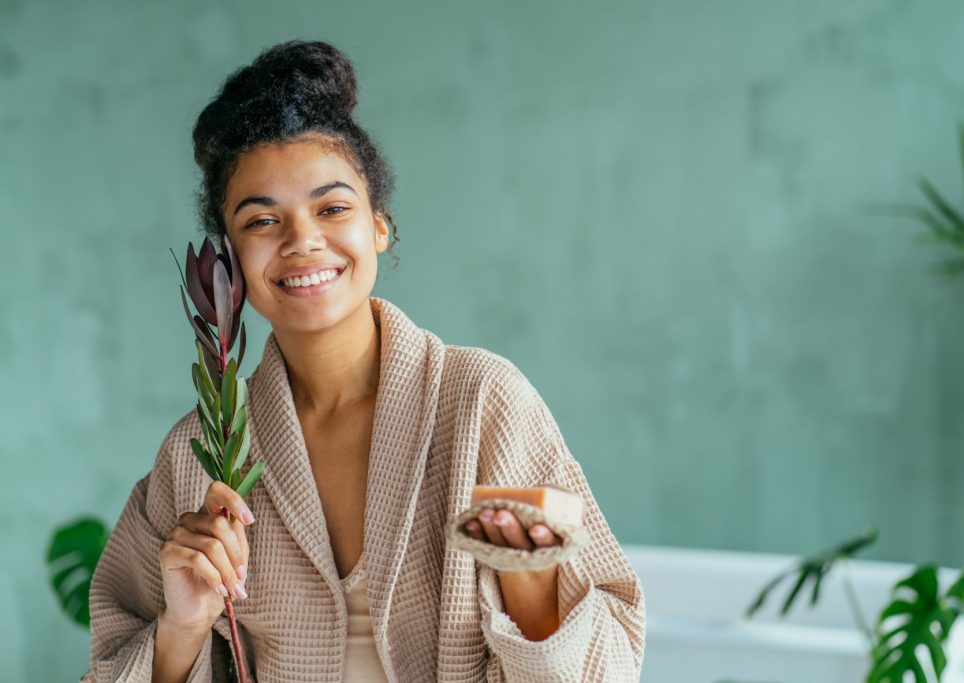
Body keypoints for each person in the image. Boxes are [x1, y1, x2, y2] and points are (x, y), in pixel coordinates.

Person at [83, 39, 645, 682]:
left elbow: (607, 669)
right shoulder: (195, 457)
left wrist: (533, 581)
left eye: (333, 208)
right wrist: (183, 626)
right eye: (262, 221)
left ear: (380, 225)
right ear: (231, 259)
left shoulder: (482, 404)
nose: (302, 241)